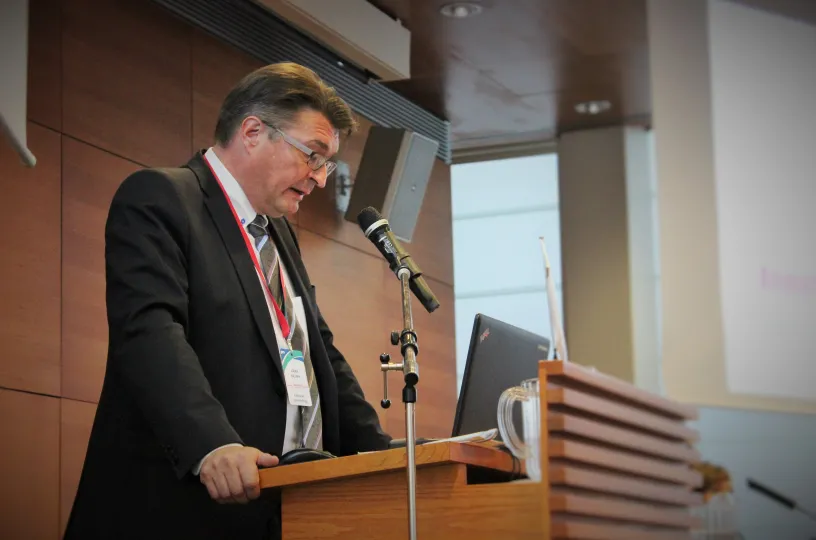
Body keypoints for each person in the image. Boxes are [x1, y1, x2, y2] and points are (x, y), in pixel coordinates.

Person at [64, 62, 392, 540]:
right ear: (253, 132)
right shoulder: (162, 198)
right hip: (180, 509)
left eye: (326, 164)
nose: (320, 179)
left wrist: (380, 453)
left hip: (283, 506)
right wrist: (212, 445)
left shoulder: (278, 232)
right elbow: (151, 332)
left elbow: (318, 351)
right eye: (313, 155)